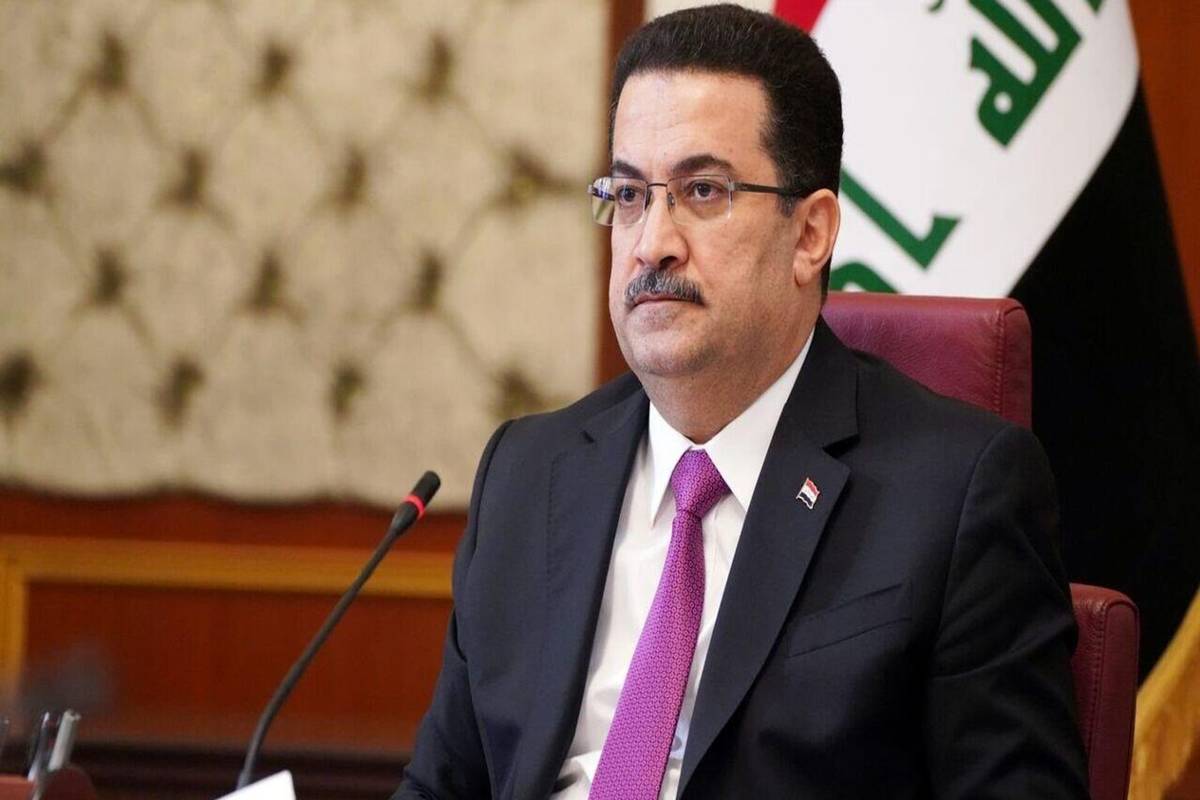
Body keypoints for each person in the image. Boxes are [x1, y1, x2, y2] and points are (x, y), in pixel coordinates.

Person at [394, 5, 1087, 798]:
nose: (652, 243)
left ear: (810, 234)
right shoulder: (527, 473)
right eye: (629, 194)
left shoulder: (956, 495)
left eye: (702, 190)